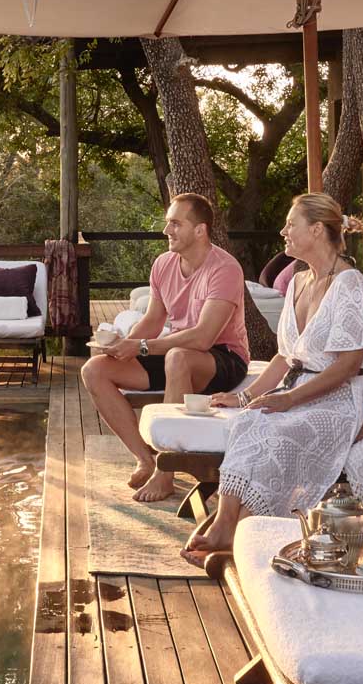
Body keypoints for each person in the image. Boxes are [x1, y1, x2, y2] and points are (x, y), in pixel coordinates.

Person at [182, 194, 363, 569]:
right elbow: (285, 356)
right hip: (304, 391)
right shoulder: (296, 283)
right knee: (249, 421)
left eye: (290, 224)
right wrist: (245, 397)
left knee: (278, 431)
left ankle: (236, 528)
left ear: (315, 230)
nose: (283, 231)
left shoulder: (350, 284)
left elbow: (347, 365)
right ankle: (230, 524)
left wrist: (289, 401)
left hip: (350, 398)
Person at [81, 193, 249, 502]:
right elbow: (154, 319)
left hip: (223, 358)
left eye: (175, 223)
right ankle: (145, 458)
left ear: (200, 230)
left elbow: (203, 338)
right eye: (167, 222)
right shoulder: (163, 264)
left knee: (178, 358)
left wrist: (142, 346)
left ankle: (165, 472)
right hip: (177, 351)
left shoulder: (224, 268)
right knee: (94, 370)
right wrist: (124, 343)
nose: (166, 230)